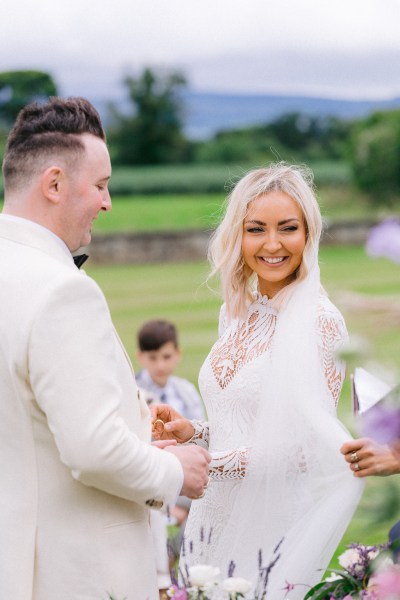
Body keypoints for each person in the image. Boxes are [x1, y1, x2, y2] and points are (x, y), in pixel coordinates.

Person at [0, 96, 210, 600]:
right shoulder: (61, 290)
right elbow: (91, 450)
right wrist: (174, 469)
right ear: (54, 184)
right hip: (71, 575)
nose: (107, 201)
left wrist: (136, 438)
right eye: (100, 184)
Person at [152, 163, 364, 598]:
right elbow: (246, 424)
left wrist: (209, 465)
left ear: (308, 234)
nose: (272, 244)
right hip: (210, 518)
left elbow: (303, 449)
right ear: (239, 236)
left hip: (269, 523)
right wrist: (195, 433)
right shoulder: (235, 313)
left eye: (287, 228)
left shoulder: (320, 323)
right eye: (256, 229)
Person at [136, 319, 206, 595]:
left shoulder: (185, 391)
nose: (160, 365)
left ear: (177, 354)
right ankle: (164, 566)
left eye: (166, 357)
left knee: (205, 504)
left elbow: (200, 435)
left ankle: (179, 563)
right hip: (154, 475)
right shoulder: (135, 392)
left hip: (186, 476)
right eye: (152, 358)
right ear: (141, 357)